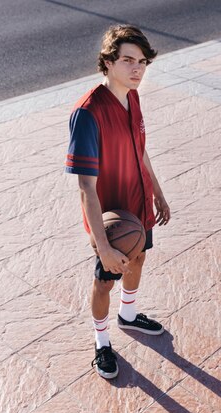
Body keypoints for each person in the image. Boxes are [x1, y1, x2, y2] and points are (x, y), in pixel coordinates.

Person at [64, 25, 170, 379]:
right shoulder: (88, 113)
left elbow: (141, 150)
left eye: (142, 62)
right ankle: (101, 341)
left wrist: (157, 191)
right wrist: (103, 244)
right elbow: (85, 187)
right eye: (127, 60)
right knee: (105, 280)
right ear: (108, 62)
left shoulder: (133, 96)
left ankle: (128, 314)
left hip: (138, 205)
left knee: (138, 255)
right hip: (112, 215)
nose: (137, 69)